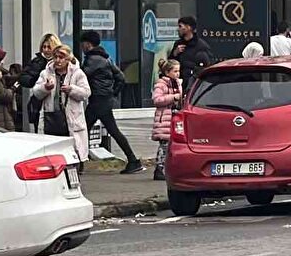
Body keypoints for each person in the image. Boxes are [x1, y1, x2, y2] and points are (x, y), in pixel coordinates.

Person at [80, 31, 143, 175]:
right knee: (112, 130)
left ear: (87, 44)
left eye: (83, 44)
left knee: (82, 130)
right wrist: (113, 92)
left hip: (98, 100)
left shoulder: (92, 59)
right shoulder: (106, 58)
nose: (82, 47)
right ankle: (133, 160)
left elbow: (82, 75)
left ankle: (78, 164)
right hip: (105, 99)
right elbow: (121, 76)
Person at [32, 45, 92, 163]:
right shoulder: (45, 73)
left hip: (70, 117)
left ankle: (76, 167)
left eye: (62, 57)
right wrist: (45, 88)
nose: (58, 60)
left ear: (68, 59)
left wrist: (72, 90)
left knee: (72, 150)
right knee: (52, 150)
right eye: (56, 57)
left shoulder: (77, 73)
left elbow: (86, 93)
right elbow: (36, 92)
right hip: (51, 117)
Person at [19, 34, 61, 132]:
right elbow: (23, 78)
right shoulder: (36, 62)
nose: (46, 50)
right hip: (39, 103)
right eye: (44, 47)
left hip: (58, 104)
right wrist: (36, 80)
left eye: (49, 47)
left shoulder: (62, 62)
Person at [151, 59, 182, 182]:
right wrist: (173, 97)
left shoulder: (177, 83)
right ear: (167, 72)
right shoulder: (161, 84)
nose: (177, 74)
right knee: (164, 145)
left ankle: (170, 168)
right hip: (165, 117)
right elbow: (157, 99)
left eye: (178, 71)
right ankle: (159, 168)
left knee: (173, 145)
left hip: (175, 117)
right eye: (175, 71)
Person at [171, 16, 213, 91]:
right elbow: (170, 64)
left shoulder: (201, 46)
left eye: (180, 26)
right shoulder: (178, 44)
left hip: (193, 87)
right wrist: (175, 53)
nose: (178, 29)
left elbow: (206, 68)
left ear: (188, 27)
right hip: (177, 85)